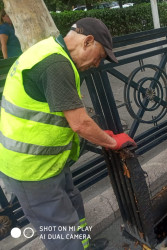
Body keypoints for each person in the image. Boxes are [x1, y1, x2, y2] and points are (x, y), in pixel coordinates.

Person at [0, 17, 136, 250]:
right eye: (100, 57)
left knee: (73, 203)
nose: (97, 65)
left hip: (49, 161)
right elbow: (80, 124)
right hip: (30, 169)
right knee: (63, 234)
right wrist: (113, 142)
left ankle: (84, 245)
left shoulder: (51, 51)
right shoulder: (56, 65)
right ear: (88, 41)